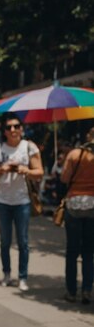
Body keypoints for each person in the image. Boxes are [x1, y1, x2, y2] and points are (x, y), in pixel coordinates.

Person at [0, 113, 43, 292]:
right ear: (4, 131)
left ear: (21, 129)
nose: (13, 130)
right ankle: (6, 274)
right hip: (2, 200)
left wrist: (24, 170)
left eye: (16, 126)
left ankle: (23, 277)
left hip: (22, 200)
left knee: (23, 241)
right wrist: (1, 169)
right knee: (5, 241)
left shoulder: (29, 147)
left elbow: (39, 172)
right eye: (9, 127)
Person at [60, 127, 94, 304]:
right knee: (89, 251)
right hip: (93, 205)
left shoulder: (74, 154)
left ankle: (71, 292)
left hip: (74, 203)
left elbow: (64, 178)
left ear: (88, 136)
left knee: (72, 251)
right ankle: (87, 290)